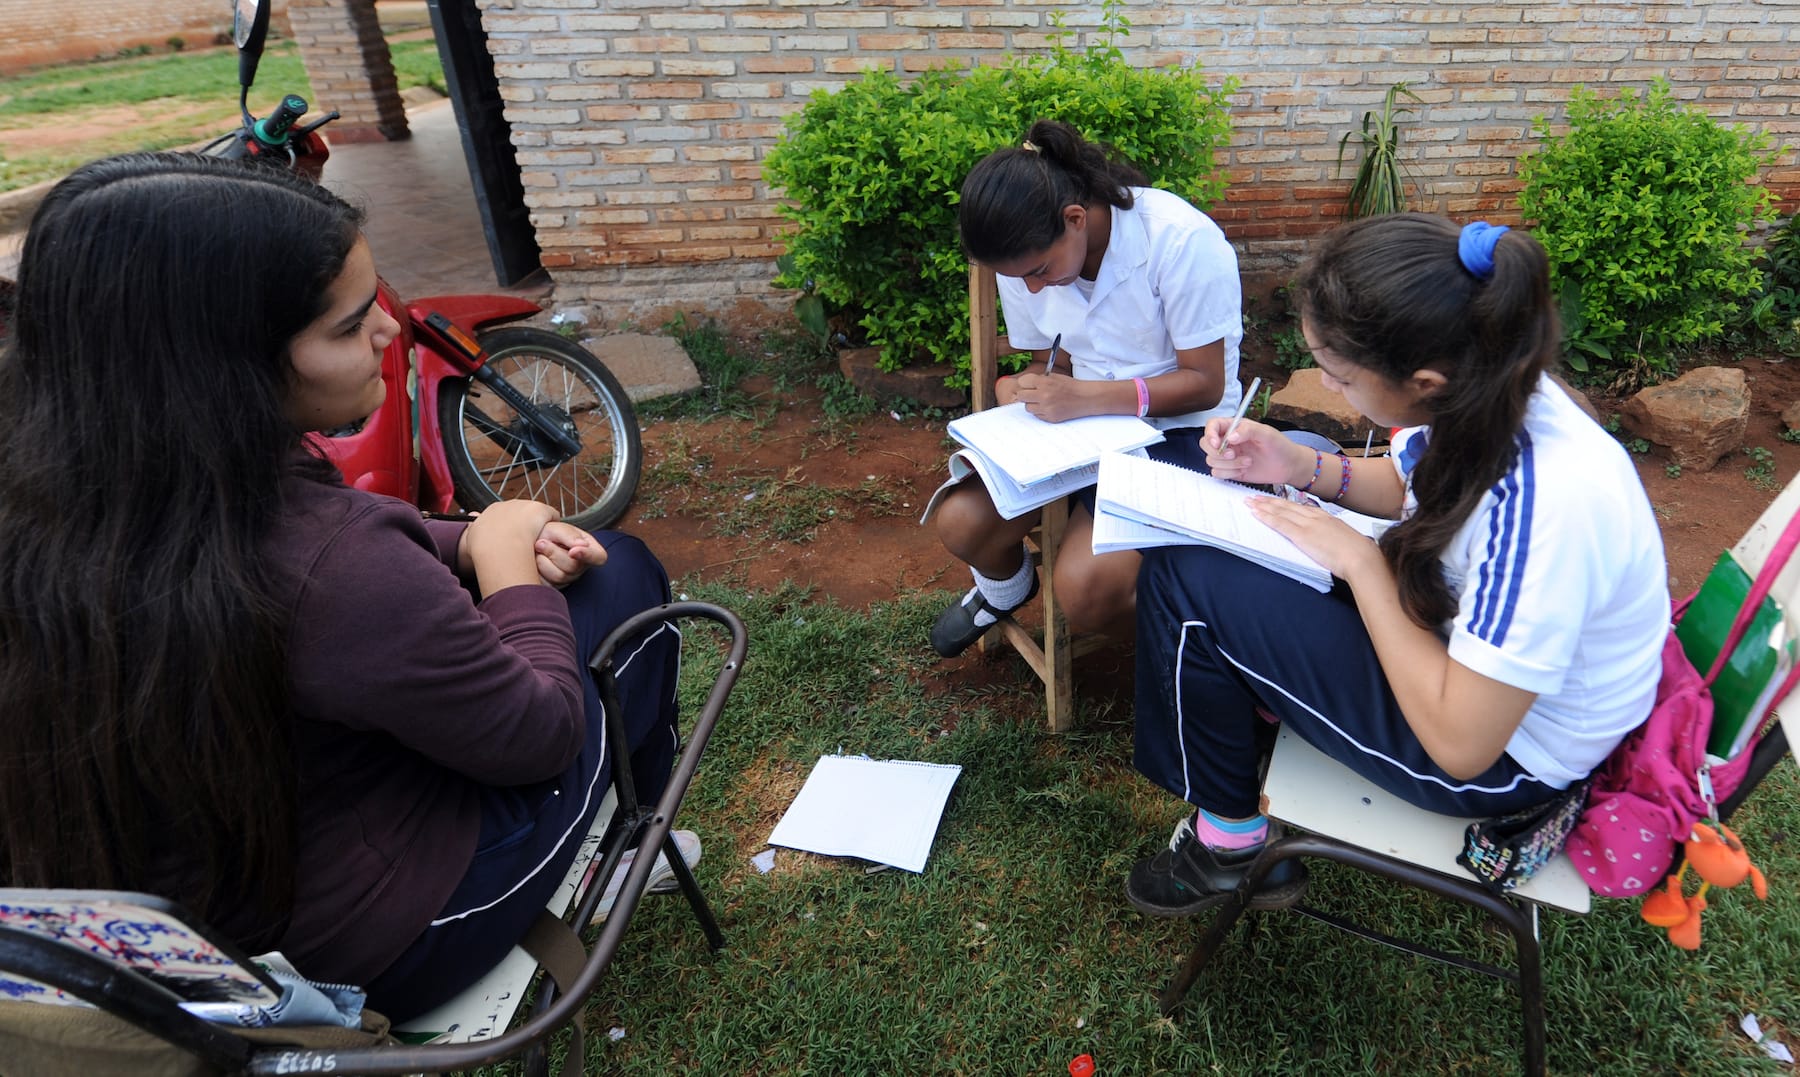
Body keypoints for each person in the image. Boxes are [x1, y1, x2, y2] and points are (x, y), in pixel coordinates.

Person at [0, 152, 692, 1021]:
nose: (390, 333)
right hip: (372, 945)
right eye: (349, 324)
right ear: (228, 363)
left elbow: (335, 568)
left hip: (170, 936)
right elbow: (539, 733)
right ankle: (630, 843)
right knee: (622, 574)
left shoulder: (66, 487)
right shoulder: (333, 565)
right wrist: (508, 560)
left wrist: (462, 541)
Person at [1124, 214, 1669, 916]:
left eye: (1340, 375)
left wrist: (1360, 563)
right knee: (1238, 514)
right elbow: (1407, 486)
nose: (1327, 384)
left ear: (1424, 381)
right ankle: (1256, 707)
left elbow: (1461, 744)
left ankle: (1228, 849)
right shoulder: (1490, 391)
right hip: (1455, 655)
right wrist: (1296, 463)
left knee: (1184, 584)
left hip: (1505, 762)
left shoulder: (1547, 512)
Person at [929, 119, 1245, 657]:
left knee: (1087, 589)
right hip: (1081, 432)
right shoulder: (1027, 258)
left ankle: (1207, 655)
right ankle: (1006, 590)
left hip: (1181, 431)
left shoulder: (1179, 239)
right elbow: (1051, 360)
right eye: (1020, 278)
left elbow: (1205, 384)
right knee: (962, 523)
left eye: (1038, 271)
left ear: (1075, 218)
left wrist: (1087, 398)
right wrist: (1022, 388)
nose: (1032, 288)